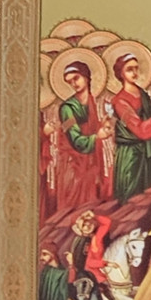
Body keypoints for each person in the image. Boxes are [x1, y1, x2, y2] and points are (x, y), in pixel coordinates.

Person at [45, 60, 111, 215]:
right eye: (70, 82)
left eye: (76, 78)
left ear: (86, 77)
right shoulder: (67, 108)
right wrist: (97, 137)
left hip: (90, 163)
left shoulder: (93, 102)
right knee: (73, 209)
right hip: (73, 164)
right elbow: (73, 137)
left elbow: (91, 126)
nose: (74, 84)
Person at [111, 52, 151, 203]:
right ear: (121, 73)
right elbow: (139, 130)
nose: (134, 72)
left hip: (149, 151)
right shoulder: (119, 101)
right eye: (129, 69)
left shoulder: (143, 94)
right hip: (132, 156)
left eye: (136, 68)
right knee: (132, 199)